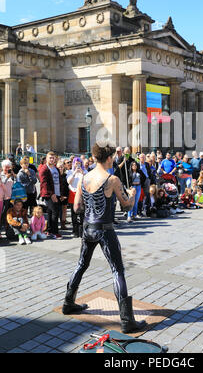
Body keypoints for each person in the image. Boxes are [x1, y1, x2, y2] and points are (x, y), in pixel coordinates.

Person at [62, 142, 147, 334]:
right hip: (105, 229)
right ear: (108, 158)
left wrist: (90, 209)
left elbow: (76, 208)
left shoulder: (84, 177)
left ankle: (68, 302)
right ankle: (126, 320)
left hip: (88, 228)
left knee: (82, 264)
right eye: (112, 158)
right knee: (118, 270)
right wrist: (132, 195)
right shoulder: (112, 179)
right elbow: (125, 206)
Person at [39, 152, 63, 239]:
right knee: (55, 212)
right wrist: (52, 194)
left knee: (50, 212)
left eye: (54, 158)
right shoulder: (44, 169)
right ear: (46, 158)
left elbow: (59, 182)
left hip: (57, 193)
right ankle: (54, 232)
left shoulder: (56, 169)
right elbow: (44, 183)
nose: (52, 159)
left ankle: (49, 230)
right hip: (49, 194)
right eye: (50, 158)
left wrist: (60, 194)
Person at [67, 158, 87, 238]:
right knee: (74, 213)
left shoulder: (85, 171)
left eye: (79, 163)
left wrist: (82, 173)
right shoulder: (70, 172)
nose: (78, 165)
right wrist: (75, 172)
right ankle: (75, 231)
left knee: (82, 213)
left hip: (82, 194)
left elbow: (87, 181)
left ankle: (82, 231)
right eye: (76, 163)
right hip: (73, 193)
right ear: (74, 164)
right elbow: (69, 181)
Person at [57, 160, 70, 230]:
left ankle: (63, 224)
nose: (60, 168)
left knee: (64, 210)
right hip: (58, 195)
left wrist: (64, 196)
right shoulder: (56, 175)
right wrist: (60, 196)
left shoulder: (66, 175)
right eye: (59, 167)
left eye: (61, 167)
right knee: (57, 210)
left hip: (65, 194)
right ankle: (56, 224)